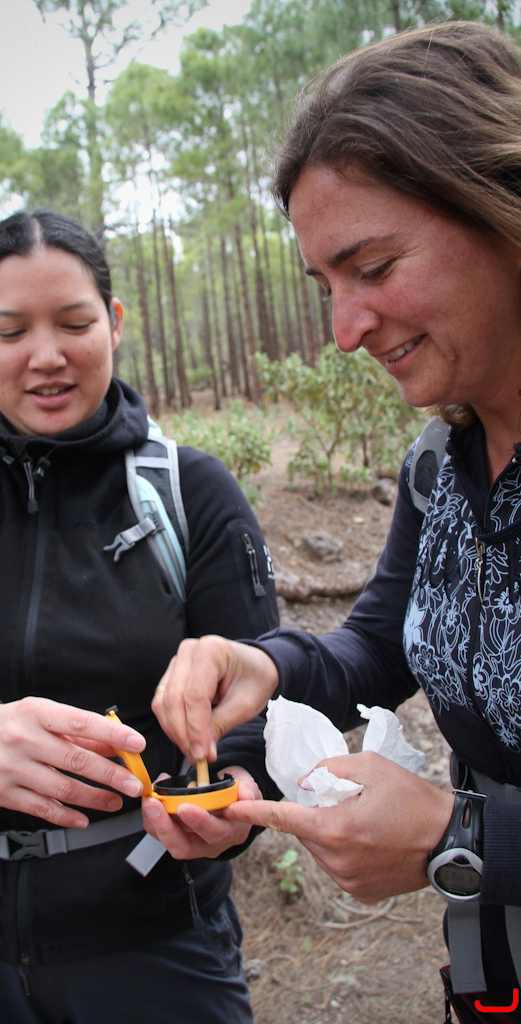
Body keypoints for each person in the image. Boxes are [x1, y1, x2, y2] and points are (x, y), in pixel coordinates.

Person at [145, 20, 521, 1018]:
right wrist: (261, 665)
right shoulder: (441, 462)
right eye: (324, 287)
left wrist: (462, 837)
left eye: (373, 267)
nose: (344, 331)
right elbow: (379, 646)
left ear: (501, 207)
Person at [0, 210, 281, 1024]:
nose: (46, 356)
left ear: (114, 322)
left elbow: (259, 687)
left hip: (160, 941)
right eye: (12, 331)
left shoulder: (192, 490)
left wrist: (240, 794)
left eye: (75, 324)